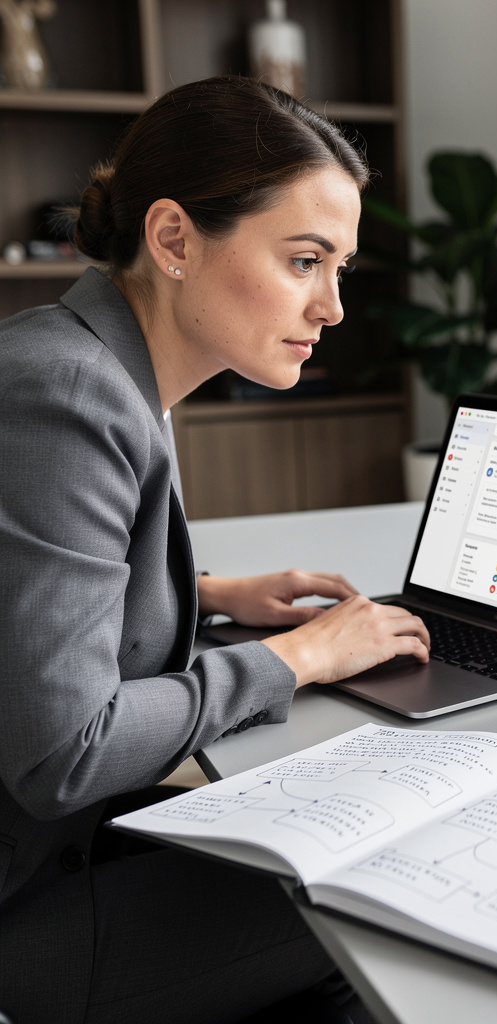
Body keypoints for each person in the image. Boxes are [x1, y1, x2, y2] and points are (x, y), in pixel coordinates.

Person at [0, 76, 429, 1024]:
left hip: (64, 855)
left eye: (340, 269)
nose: (333, 308)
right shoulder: (67, 393)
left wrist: (213, 592)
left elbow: (32, 580)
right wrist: (297, 659)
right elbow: (63, 753)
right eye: (304, 260)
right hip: (29, 912)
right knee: (390, 906)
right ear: (173, 240)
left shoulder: (96, 363)